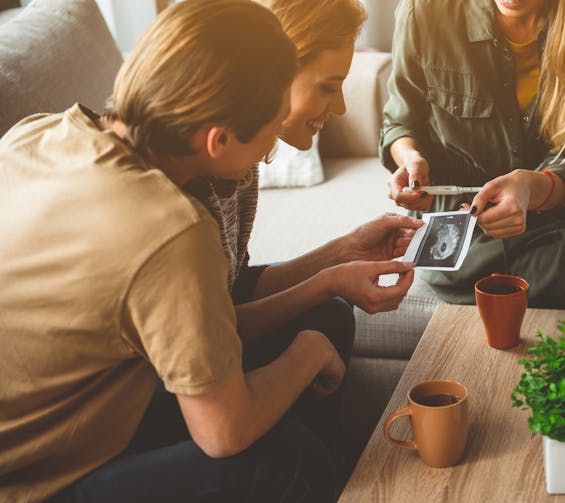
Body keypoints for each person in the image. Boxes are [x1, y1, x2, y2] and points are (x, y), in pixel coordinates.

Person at [0, 2, 416, 502]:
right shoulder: (170, 229)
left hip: (87, 403)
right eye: (270, 122)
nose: (268, 146)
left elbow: (202, 314)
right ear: (218, 141)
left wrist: (336, 261)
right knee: (289, 458)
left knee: (323, 318)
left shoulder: (42, 131)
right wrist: (307, 356)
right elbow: (224, 432)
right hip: (30, 476)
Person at [180, 0, 423, 479]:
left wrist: (343, 251)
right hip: (175, 378)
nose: (341, 106)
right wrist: (327, 281)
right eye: (327, 86)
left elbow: (230, 293)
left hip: (205, 343)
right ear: (271, 74)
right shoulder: (189, 192)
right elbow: (210, 333)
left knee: (330, 315)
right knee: (323, 315)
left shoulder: (244, 166)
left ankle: (330, 471)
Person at [381, 0, 565, 314]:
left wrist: (532, 189)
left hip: (562, 222)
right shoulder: (425, 10)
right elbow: (401, 122)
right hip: (463, 237)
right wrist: (410, 157)